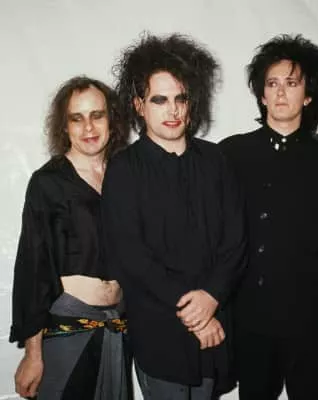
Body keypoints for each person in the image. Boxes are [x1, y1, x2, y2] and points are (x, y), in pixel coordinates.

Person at [103, 33, 246, 399]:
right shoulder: (124, 169)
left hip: (215, 324)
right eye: (160, 100)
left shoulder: (215, 160)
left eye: (181, 98)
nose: (173, 111)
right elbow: (130, 255)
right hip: (160, 330)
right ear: (139, 105)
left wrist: (211, 298)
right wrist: (195, 313)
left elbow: (235, 241)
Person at [219, 34, 318, 400]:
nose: (281, 93)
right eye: (272, 84)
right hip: (249, 315)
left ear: (308, 95)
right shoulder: (231, 153)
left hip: (308, 317)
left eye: (292, 84)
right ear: (261, 94)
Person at [10, 76, 131, 399]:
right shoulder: (48, 183)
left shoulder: (126, 176)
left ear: (112, 119)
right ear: (64, 127)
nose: (88, 127)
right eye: (77, 118)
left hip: (118, 327)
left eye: (97, 115)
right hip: (67, 331)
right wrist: (33, 354)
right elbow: (33, 270)